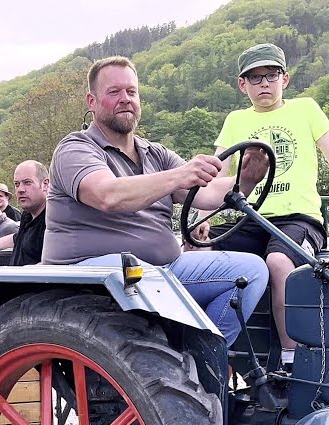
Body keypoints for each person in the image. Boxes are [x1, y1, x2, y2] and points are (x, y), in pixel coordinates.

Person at [42, 56, 269, 346]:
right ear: (92, 101)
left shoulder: (156, 154)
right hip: (91, 277)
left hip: (159, 272)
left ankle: (202, 362)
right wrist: (180, 175)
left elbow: (205, 192)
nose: (125, 99)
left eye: (131, 92)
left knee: (251, 271)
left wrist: (246, 180)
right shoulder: (75, 148)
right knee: (134, 271)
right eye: (114, 92)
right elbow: (107, 194)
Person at [213, 43, 329, 368]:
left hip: (298, 218)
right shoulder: (236, 120)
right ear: (242, 84)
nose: (264, 83)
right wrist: (200, 217)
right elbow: (219, 171)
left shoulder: (305, 109)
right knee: (195, 250)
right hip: (252, 218)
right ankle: (205, 346)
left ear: (285, 79)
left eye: (271, 76)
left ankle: (291, 363)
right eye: (255, 77)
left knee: (279, 262)